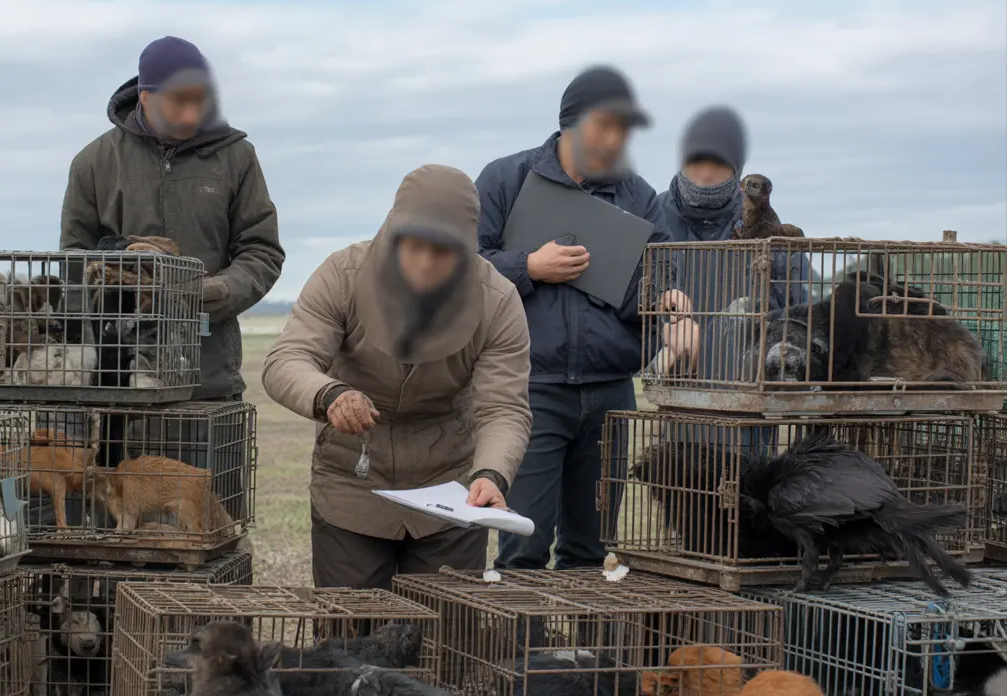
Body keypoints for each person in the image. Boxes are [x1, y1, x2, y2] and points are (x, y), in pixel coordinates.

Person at [262, 164, 533, 590]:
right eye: (415, 246)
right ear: (392, 232)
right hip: (351, 488)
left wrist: (491, 475)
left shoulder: (498, 301)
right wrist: (329, 395)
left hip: (450, 495)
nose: (425, 264)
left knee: (447, 638)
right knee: (346, 640)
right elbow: (287, 360)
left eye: (442, 251)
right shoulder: (341, 276)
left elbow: (503, 408)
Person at [476, 65, 691, 571]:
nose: (615, 139)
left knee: (591, 547)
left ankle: (582, 654)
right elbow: (463, 264)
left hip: (610, 392)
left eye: (623, 130)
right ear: (570, 123)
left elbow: (660, 273)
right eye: (604, 125)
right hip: (530, 388)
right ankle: (523, 652)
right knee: (523, 541)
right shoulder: (505, 179)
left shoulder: (638, 195)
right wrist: (528, 267)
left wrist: (667, 301)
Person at [60, 35, 285, 401]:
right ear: (145, 97)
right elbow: (73, 260)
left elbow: (262, 251)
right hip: (119, 381)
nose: (191, 114)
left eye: (200, 100)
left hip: (207, 375)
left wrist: (216, 291)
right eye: (178, 102)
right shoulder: (92, 163)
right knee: (118, 462)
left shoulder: (237, 157)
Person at [656, 105, 809, 454]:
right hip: (680, 390)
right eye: (697, 162)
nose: (706, 174)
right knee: (683, 488)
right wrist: (666, 332)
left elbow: (795, 312)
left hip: (748, 395)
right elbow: (636, 300)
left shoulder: (771, 230)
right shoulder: (653, 214)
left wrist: (754, 326)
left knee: (747, 494)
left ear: (737, 172)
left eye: (719, 164)